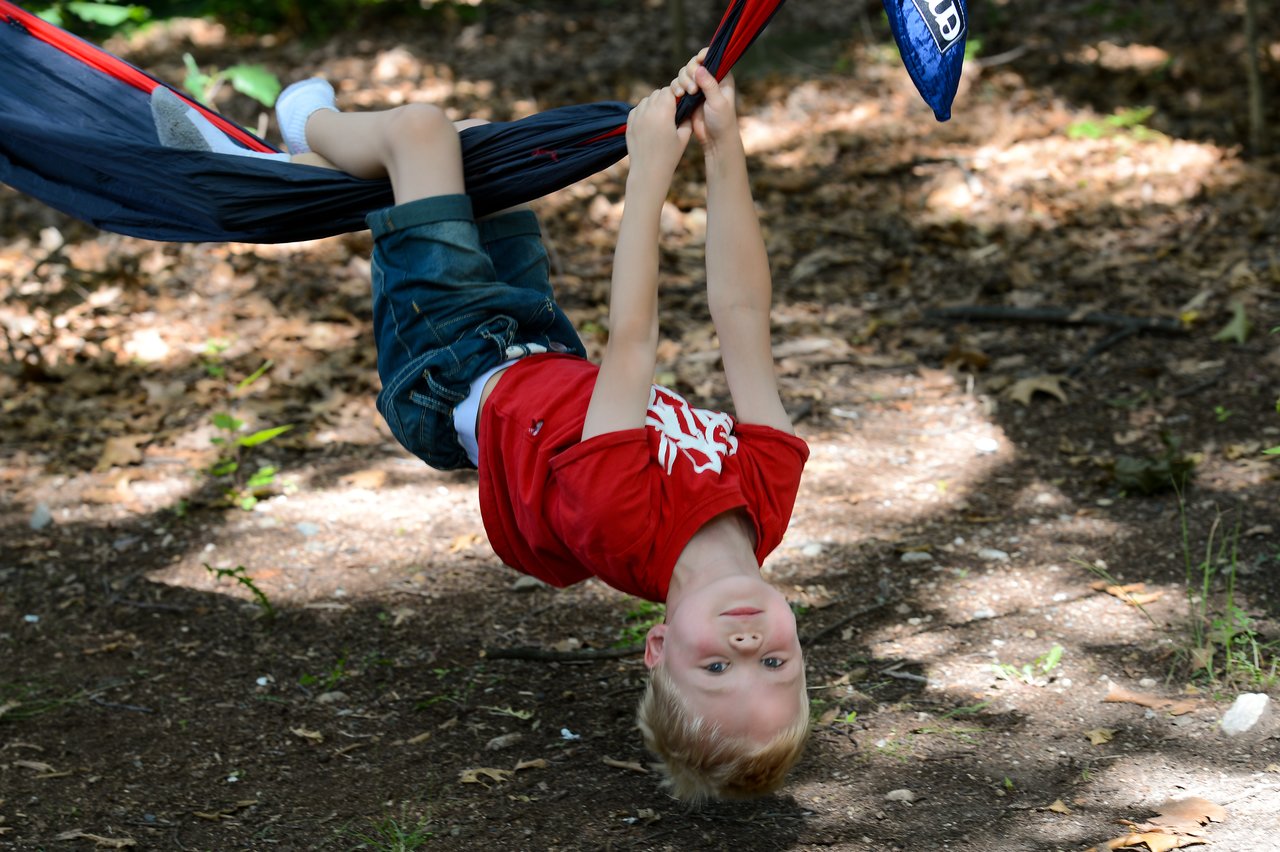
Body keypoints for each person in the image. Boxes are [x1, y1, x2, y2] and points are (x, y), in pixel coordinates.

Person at [152, 51, 810, 802]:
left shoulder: (621, 523)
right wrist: (726, 150)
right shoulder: (769, 494)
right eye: (774, 666)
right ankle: (288, 168)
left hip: (450, 363)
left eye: (717, 670)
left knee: (424, 137)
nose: (747, 646)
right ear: (799, 649)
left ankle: (283, 143)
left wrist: (649, 167)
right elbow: (744, 317)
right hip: (534, 337)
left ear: (658, 649)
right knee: (477, 145)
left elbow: (634, 337)